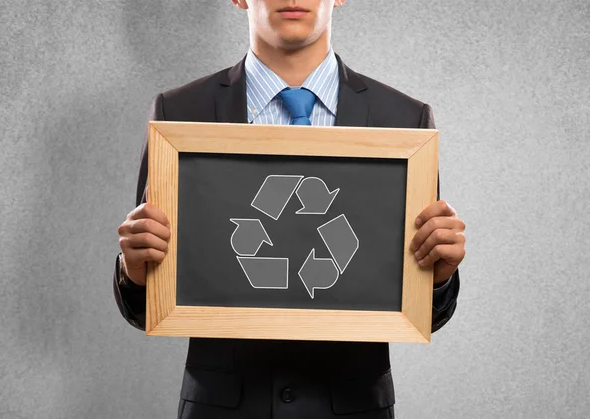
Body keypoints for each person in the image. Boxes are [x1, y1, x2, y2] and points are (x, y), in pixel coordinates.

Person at [113, 1, 466, 418]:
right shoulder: (181, 113)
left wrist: (438, 274)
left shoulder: (405, 122)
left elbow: (418, 307)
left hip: (352, 408)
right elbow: (144, 301)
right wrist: (134, 269)